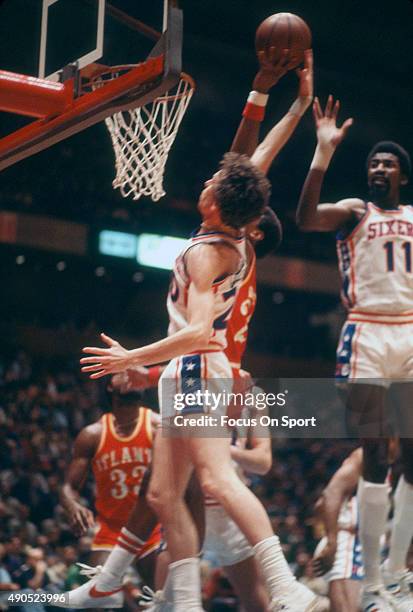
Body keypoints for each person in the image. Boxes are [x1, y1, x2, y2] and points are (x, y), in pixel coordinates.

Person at [60, 49, 325, 612]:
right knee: (160, 494)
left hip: (198, 370)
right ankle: (146, 596)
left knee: (218, 482)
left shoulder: (209, 256)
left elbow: (198, 330)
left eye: (211, 181)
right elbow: (258, 159)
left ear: (214, 204)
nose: (207, 179)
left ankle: (286, 585)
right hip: (191, 374)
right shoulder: (237, 235)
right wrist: (296, 105)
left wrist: (132, 357)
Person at [296, 95, 413, 612]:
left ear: (402, 177)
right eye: (373, 163)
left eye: (388, 163)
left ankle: (395, 575)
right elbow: (303, 218)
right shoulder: (353, 211)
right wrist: (322, 154)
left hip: (410, 333)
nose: (378, 168)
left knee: (410, 458)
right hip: (365, 334)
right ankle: (370, 587)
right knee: (374, 455)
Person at [60, 374, 161, 589]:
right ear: (109, 387)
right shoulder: (92, 435)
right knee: (95, 597)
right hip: (111, 530)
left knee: (166, 598)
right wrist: (73, 505)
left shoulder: (158, 426)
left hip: (152, 528)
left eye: (132, 371)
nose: (128, 375)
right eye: (120, 372)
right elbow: (68, 488)